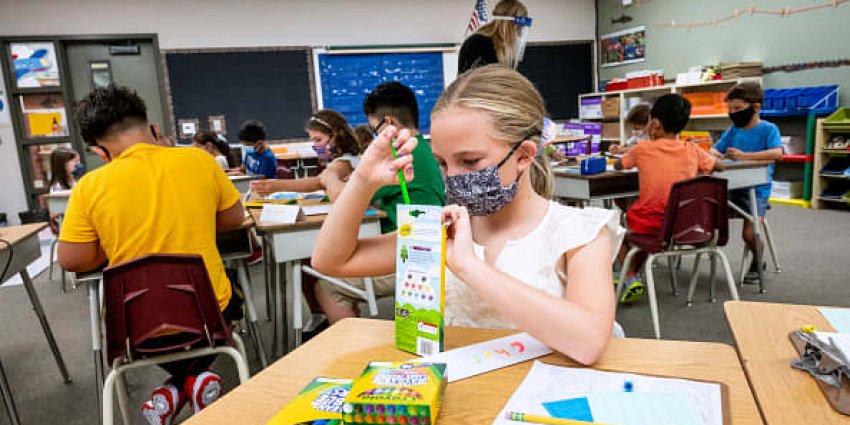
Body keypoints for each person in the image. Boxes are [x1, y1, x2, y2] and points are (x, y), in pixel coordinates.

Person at [312, 65, 623, 365]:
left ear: (525, 155)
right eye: (443, 164)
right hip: (466, 401)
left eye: (470, 161)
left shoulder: (578, 232)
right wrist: (363, 181)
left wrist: (469, 266)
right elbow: (332, 261)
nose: (454, 177)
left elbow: (588, 342)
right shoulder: (441, 229)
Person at [57, 84, 246, 425]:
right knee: (231, 294)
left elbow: (72, 259)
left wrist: (110, 244)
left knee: (151, 323)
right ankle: (192, 380)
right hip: (208, 315)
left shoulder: (89, 186)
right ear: (154, 129)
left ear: (100, 150)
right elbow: (234, 219)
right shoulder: (199, 160)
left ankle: (179, 385)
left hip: (134, 325)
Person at [314, 81, 446, 324]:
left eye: (375, 131)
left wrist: (332, 176)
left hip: (413, 254)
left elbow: (340, 197)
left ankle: (352, 340)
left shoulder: (401, 158)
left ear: (388, 126)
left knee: (327, 286)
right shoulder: (423, 150)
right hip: (415, 244)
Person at [614, 94, 722, 302]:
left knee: (618, 234)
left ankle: (630, 277)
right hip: (687, 227)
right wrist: (715, 158)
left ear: (654, 124)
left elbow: (619, 165)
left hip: (652, 224)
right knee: (642, 230)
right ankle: (634, 275)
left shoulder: (642, 149)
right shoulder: (692, 149)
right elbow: (719, 166)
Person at [709, 82, 783, 283]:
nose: (733, 113)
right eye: (730, 109)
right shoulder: (733, 130)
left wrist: (744, 156)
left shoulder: (768, 129)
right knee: (707, 214)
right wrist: (715, 153)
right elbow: (716, 148)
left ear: (755, 107)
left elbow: (778, 153)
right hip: (731, 186)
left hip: (756, 189)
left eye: (738, 109)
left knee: (750, 234)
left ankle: (758, 261)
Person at [252, 110, 362, 200]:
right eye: (313, 140)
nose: (315, 145)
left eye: (318, 140)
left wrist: (277, 186)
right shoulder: (342, 159)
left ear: (337, 137)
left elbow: (317, 182)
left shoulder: (343, 163)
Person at [458, 0, 532, 74]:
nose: (520, 34)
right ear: (511, 26)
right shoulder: (480, 43)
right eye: (519, 28)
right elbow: (479, 81)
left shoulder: (499, 48)